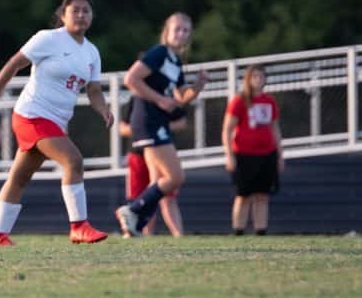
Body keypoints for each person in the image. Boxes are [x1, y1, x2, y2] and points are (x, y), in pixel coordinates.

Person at [0, 0, 113, 246]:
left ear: (92, 16)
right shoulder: (49, 39)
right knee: (74, 161)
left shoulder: (92, 53)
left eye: (86, 11)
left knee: (19, 178)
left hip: (55, 122)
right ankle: (79, 227)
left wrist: (103, 109)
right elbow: (15, 63)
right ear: (63, 15)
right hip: (32, 115)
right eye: (75, 10)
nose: (81, 15)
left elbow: (93, 90)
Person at [115, 12, 208, 237]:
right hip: (148, 121)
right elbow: (131, 79)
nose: (181, 34)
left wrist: (196, 87)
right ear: (166, 32)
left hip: (157, 122)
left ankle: (135, 225)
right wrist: (159, 99)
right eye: (177, 29)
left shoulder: (175, 61)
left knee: (158, 181)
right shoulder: (159, 53)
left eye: (186, 30)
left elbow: (180, 96)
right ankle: (132, 210)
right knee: (175, 177)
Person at [221, 64, 283, 235]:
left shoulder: (269, 101)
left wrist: (279, 155)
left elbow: (275, 129)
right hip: (244, 154)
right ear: (248, 79)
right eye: (254, 76)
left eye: (261, 76)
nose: (258, 80)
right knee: (243, 195)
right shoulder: (239, 100)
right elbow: (227, 129)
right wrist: (229, 155)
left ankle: (260, 230)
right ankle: (238, 230)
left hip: (267, 154)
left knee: (262, 195)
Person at [119, 96, 186, 237]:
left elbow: (181, 120)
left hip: (160, 149)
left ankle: (178, 234)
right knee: (140, 195)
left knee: (166, 194)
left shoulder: (165, 95)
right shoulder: (136, 98)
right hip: (139, 152)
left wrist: (159, 126)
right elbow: (123, 128)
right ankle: (139, 230)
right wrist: (144, 127)